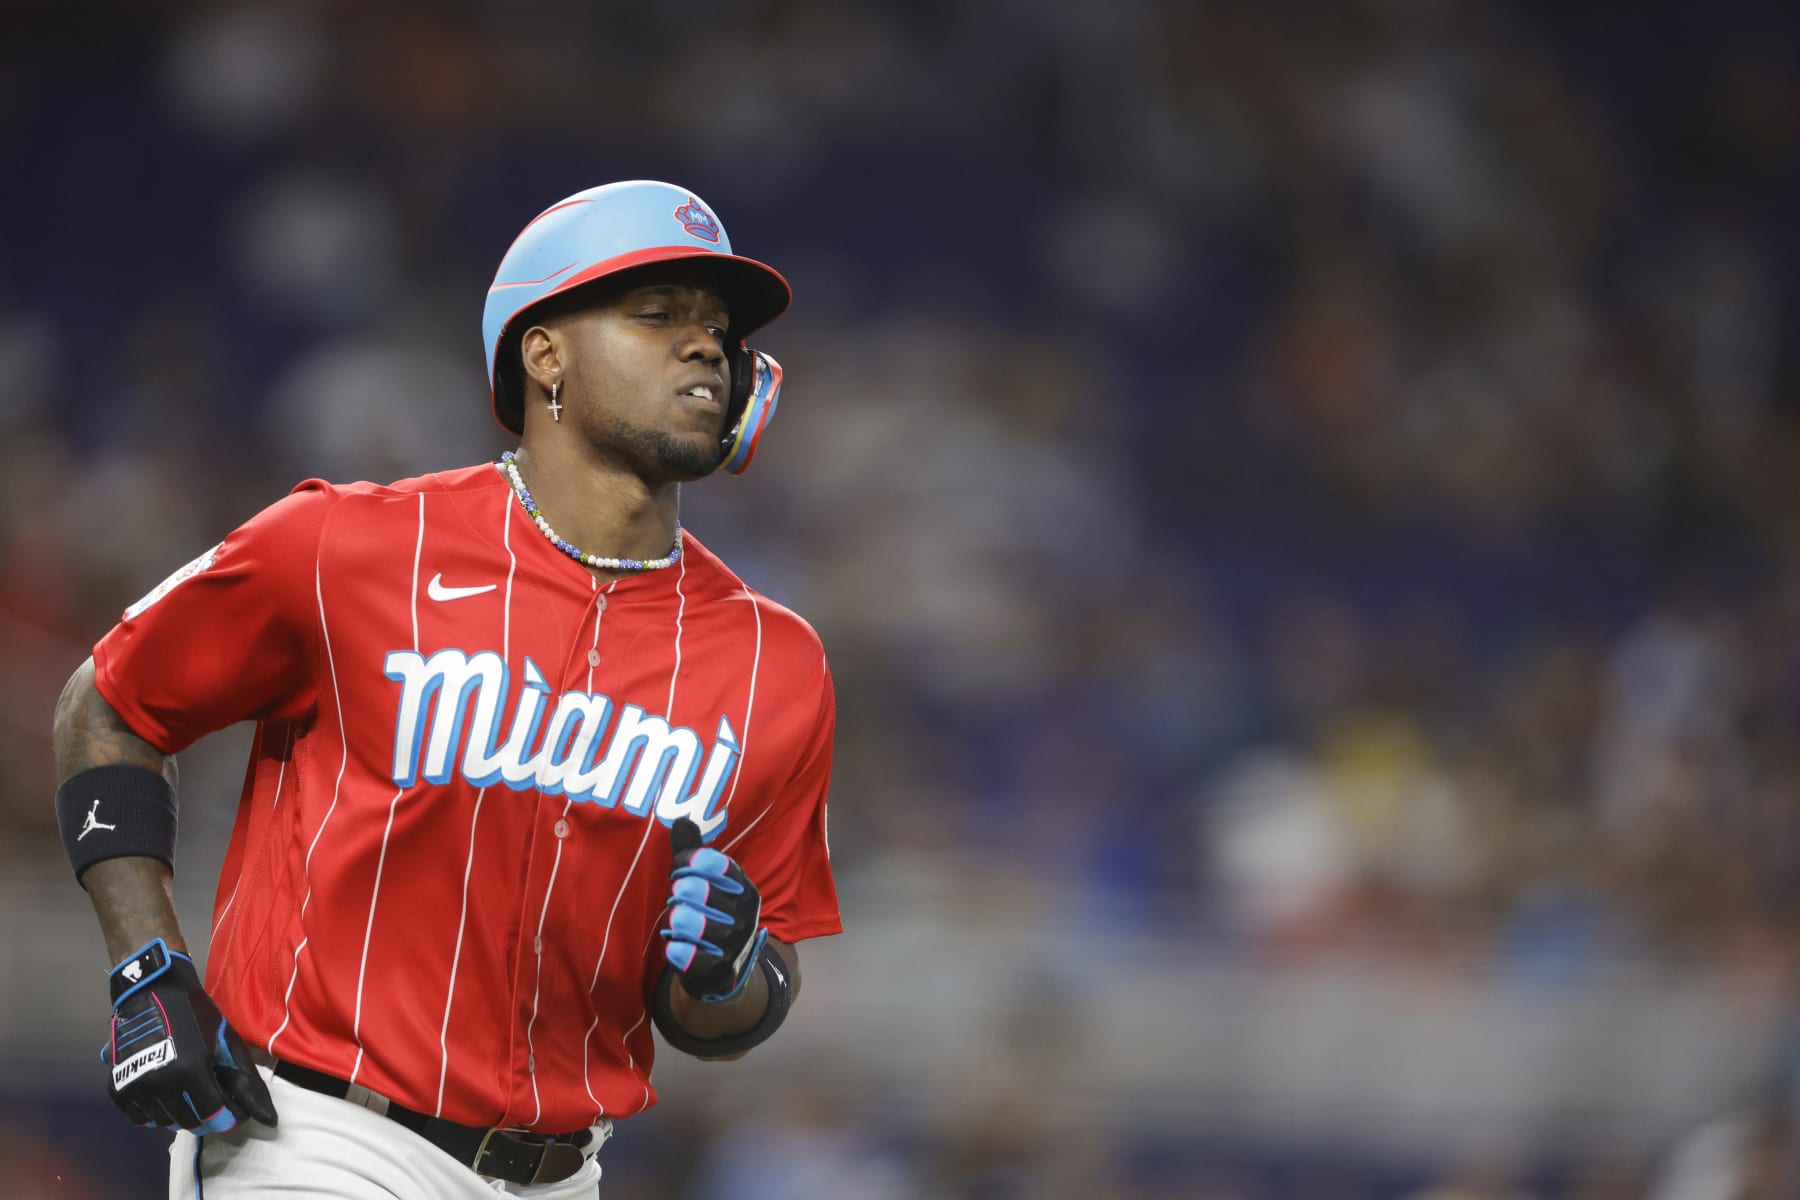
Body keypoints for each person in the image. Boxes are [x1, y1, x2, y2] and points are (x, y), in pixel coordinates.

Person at [51, 179, 841, 1198]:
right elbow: (109, 702)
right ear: (542, 354)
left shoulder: (777, 663)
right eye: (657, 315)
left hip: (565, 1171)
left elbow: (723, 1016)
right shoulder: (348, 546)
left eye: (718, 328)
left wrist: (734, 976)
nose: (704, 347)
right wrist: (146, 969)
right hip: (323, 1138)